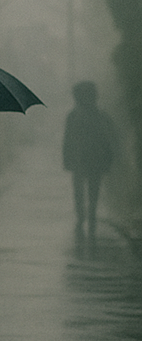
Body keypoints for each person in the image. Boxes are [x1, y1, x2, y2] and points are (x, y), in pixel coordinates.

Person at [62, 80, 116, 239]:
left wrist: (67, 159)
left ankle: (82, 217)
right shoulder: (99, 115)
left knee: (80, 191)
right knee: (92, 190)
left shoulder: (74, 116)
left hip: (81, 159)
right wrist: (108, 158)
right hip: (93, 159)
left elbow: (67, 140)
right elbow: (107, 138)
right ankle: (90, 216)